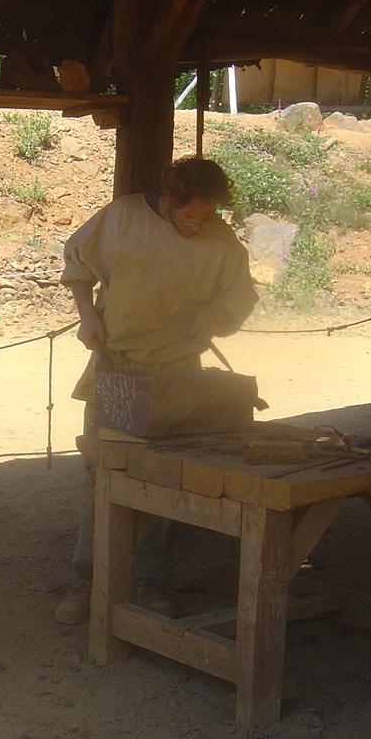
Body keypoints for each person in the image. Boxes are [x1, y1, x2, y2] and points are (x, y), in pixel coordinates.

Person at [54, 155, 259, 624]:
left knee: (166, 477)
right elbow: (78, 263)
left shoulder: (219, 238)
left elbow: (241, 292)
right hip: (116, 366)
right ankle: (89, 578)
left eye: (205, 217)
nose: (195, 226)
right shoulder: (123, 217)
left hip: (178, 370)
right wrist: (87, 316)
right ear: (168, 198)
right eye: (188, 215)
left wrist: (215, 316)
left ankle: (150, 577)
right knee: (101, 472)